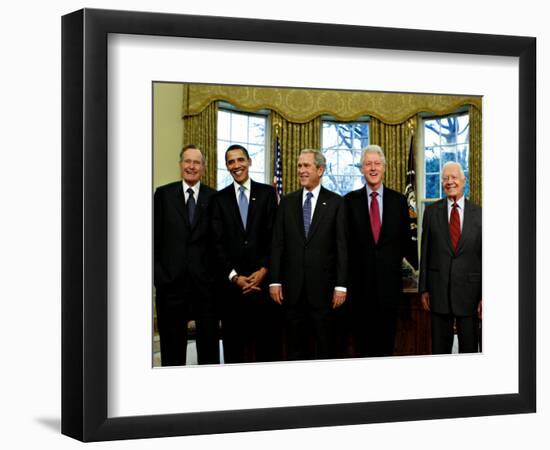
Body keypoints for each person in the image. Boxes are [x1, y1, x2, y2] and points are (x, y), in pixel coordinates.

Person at [269, 149, 347, 360]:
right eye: (299, 166)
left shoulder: (336, 203)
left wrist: (341, 285)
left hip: (323, 290)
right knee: (295, 347)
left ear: (320, 170)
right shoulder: (287, 202)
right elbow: (278, 243)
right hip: (292, 290)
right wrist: (274, 281)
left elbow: (342, 246)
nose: (301, 170)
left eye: (306, 166)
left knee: (324, 346)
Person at [210, 144, 282, 363]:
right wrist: (234, 277)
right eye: (231, 162)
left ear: (249, 162)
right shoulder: (218, 199)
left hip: (262, 286)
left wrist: (263, 270)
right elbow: (216, 243)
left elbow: (275, 237)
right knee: (234, 351)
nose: (236, 165)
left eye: (240, 160)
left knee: (266, 350)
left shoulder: (268, 193)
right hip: (233, 290)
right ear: (227, 166)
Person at [345, 145, 417, 357]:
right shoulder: (349, 202)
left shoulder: (400, 201)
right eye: (368, 164)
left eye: (377, 164)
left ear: (384, 168)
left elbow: (407, 242)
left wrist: (416, 273)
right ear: (362, 169)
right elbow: (345, 245)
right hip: (359, 289)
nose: (373, 168)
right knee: (362, 346)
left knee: (386, 344)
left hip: (390, 289)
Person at [154, 144, 220, 366]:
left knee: (209, 348)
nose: (192, 166)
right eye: (188, 161)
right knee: (172, 349)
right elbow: (153, 238)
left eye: (197, 162)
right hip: (171, 284)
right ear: (181, 164)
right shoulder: (163, 195)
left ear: (203, 167)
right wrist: (159, 277)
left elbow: (219, 243)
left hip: (206, 287)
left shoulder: (215, 198)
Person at [419, 161, 482, 354]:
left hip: (470, 295)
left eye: (454, 177)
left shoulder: (480, 214)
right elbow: (426, 251)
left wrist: (485, 295)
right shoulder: (431, 213)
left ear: (464, 181)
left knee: (470, 349)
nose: (449, 182)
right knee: (440, 350)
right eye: (445, 178)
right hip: (439, 293)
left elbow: (486, 258)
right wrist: (424, 289)